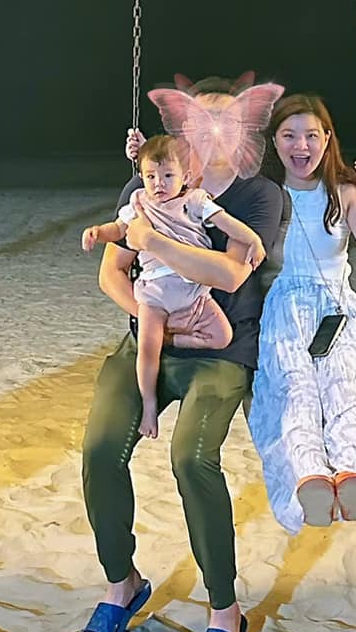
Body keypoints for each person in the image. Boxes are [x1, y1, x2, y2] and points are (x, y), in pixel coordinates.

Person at [77, 75, 286, 632]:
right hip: (151, 341)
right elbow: (112, 272)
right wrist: (158, 325)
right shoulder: (145, 183)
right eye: (200, 121)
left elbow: (231, 274)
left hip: (221, 349)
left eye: (227, 122)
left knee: (191, 459)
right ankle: (122, 583)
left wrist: (154, 243)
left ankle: (225, 610)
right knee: (99, 449)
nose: (213, 132)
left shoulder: (258, 195)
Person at [249, 93, 356, 533]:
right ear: (274, 142)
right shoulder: (265, 196)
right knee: (296, 392)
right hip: (285, 309)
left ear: (327, 139)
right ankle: (311, 477)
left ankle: (350, 472)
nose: (302, 146)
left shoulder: (344, 193)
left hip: (336, 308)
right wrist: (143, 160)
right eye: (289, 135)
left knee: (346, 384)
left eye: (312, 135)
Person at [81, 132, 266, 436]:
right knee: (147, 350)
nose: (159, 184)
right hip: (154, 294)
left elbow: (228, 224)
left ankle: (177, 340)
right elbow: (118, 229)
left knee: (222, 336)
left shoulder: (195, 200)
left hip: (193, 291)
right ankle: (149, 406)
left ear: (186, 177)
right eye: (151, 176)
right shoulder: (138, 202)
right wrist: (97, 233)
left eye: (168, 176)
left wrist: (254, 240)